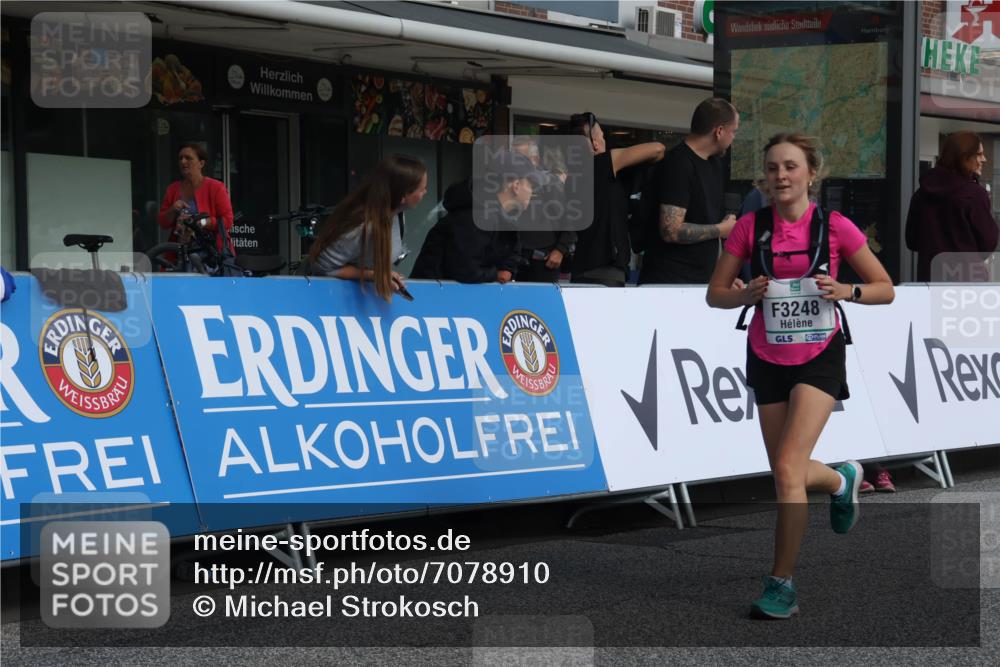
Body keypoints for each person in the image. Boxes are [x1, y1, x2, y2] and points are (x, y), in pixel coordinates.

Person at [706, 132, 895, 620]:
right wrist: (744, 295)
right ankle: (840, 479)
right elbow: (715, 294)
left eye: (790, 167)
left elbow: (885, 288)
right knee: (784, 472)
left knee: (789, 469)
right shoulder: (750, 227)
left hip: (819, 355)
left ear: (812, 173)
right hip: (766, 355)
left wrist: (847, 290)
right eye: (772, 168)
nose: (781, 176)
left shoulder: (835, 226)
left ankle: (781, 585)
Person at [640, 98, 739, 285]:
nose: (733, 138)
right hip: (668, 283)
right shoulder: (678, 163)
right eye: (733, 131)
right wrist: (721, 229)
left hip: (702, 282)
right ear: (719, 131)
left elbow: (709, 227)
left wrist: (721, 276)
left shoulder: (714, 164)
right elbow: (671, 230)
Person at [309, 154, 427, 301]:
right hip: (332, 300)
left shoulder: (397, 216)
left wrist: (383, 275)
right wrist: (372, 275)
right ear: (403, 195)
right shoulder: (362, 226)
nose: (425, 192)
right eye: (422, 189)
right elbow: (322, 267)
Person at [411, 151, 540, 284]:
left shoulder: (504, 217)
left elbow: (512, 255)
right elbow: (465, 271)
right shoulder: (474, 217)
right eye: (531, 185)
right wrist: (496, 274)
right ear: (516, 186)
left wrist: (507, 270)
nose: (532, 192)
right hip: (434, 294)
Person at [568, 112, 665, 287]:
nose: (604, 140)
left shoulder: (573, 177)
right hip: (605, 269)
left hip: (581, 266)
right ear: (595, 143)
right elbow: (658, 149)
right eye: (602, 136)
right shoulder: (600, 164)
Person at [905, 131, 998, 282]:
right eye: (979, 154)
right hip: (967, 282)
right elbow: (988, 242)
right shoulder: (974, 194)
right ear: (965, 157)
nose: (984, 159)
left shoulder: (921, 194)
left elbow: (912, 241)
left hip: (930, 280)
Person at [511, 136, 576, 283]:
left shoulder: (549, 184)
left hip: (543, 262)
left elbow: (570, 220)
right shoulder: (509, 184)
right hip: (515, 260)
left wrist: (560, 250)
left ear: (535, 160)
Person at [157, 142, 235, 254]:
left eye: (188, 158)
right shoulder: (173, 189)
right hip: (181, 255)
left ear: (201, 163)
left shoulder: (216, 187)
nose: (183, 161)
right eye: (180, 158)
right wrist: (173, 209)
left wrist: (201, 222)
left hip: (211, 255)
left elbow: (228, 221)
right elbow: (162, 223)